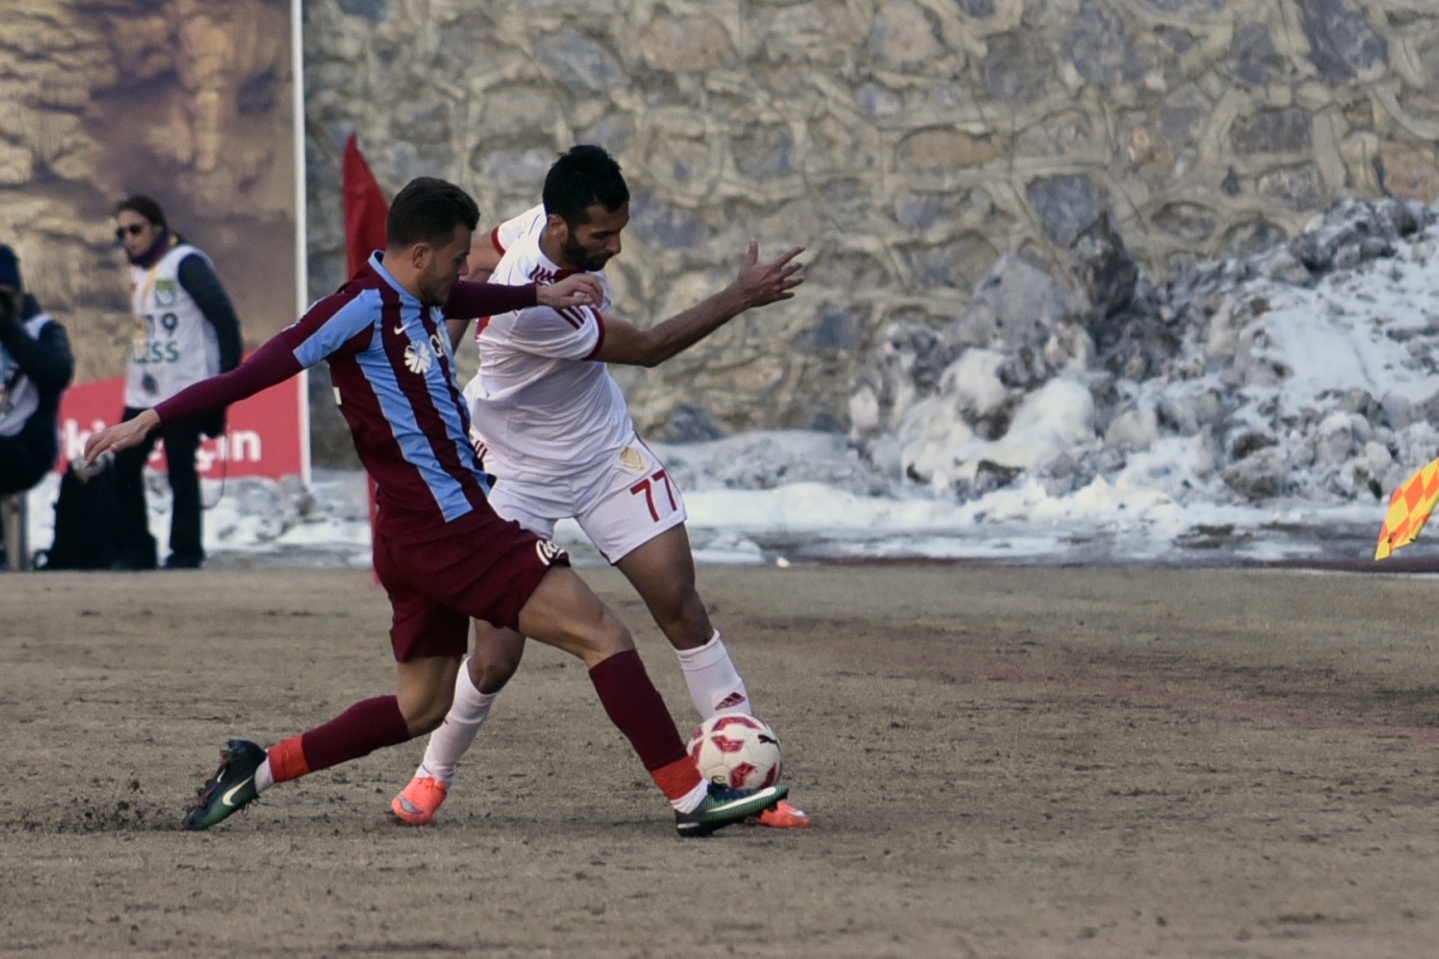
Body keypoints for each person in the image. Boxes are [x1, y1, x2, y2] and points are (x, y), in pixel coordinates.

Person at [81, 176, 787, 837]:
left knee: (420, 706)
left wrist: (538, 295)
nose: (464, 271)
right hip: (451, 528)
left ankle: (257, 768)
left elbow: (465, 299)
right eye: (455, 259)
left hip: (410, 533)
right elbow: (256, 371)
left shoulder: (423, 293)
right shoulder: (356, 310)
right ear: (420, 254)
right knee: (603, 634)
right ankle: (691, 799)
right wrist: (151, 419)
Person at [392, 145, 810, 829]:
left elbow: (476, 259)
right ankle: (431, 774)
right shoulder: (535, 306)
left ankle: (747, 773)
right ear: (560, 226)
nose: (615, 247)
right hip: (513, 472)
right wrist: (740, 296)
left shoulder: (535, 222)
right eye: (601, 235)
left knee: (679, 603)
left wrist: (445, 344)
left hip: (602, 453)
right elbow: (647, 347)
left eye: (620, 230)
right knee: (495, 657)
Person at [111, 196, 244, 570]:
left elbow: (225, 321)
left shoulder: (185, 262)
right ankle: (137, 549)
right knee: (124, 463)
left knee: (180, 467)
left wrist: (225, 388)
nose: (128, 238)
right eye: (121, 233)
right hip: (145, 389)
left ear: (157, 227)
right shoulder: (139, 270)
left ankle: (186, 551)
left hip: (186, 386)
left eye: (135, 229)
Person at [0, 244, 74, 503]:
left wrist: (8, 328)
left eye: (6, 296)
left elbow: (57, 373)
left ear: (19, 294)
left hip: (28, 445)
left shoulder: (42, 329)